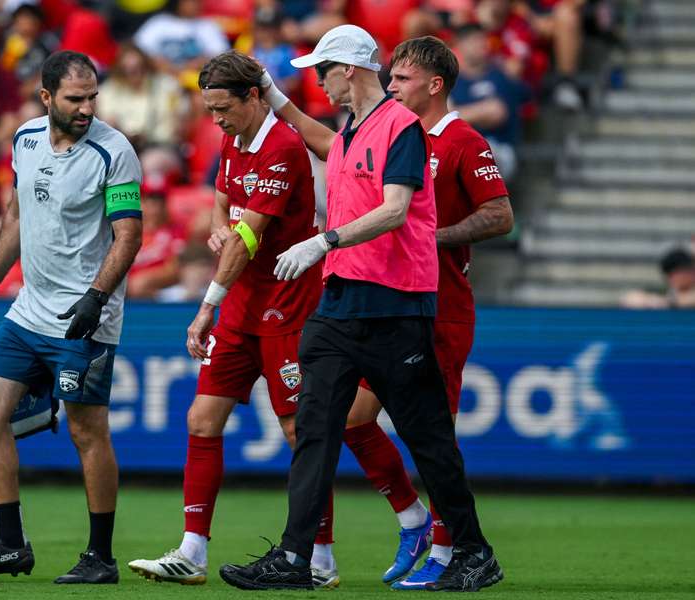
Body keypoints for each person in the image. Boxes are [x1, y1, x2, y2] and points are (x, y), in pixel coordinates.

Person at [219, 25, 501, 592]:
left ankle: (473, 550)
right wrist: (270, 91)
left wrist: (323, 241)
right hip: (343, 302)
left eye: (322, 70)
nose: (317, 82)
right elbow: (315, 137)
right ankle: (297, 557)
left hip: (396, 305)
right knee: (315, 428)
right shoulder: (354, 130)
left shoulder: (399, 127)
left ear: (348, 70)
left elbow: (395, 210)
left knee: (427, 438)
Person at [127, 50, 341, 588]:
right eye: (209, 110)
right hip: (243, 304)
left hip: (287, 304)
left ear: (253, 97)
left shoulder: (284, 148)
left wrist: (205, 305)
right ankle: (192, 551)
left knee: (298, 432)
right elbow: (225, 207)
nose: (216, 119)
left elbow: (251, 235)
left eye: (223, 107)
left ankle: (320, 557)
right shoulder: (233, 137)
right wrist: (219, 225)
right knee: (202, 420)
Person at [0, 50, 143, 585]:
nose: (86, 108)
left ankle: (100, 558)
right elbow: (17, 215)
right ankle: (9, 545)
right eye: (75, 99)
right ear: (46, 98)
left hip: (85, 318)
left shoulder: (114, 151)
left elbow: (129, 235)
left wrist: (96, 297)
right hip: (28, 311)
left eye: (92, 98)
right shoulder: (25, 139)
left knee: (86, 431)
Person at [347, 35, 514, 590]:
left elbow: (499, 215)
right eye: (389, 77)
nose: (390, 86)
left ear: (435, 85)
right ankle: (415, 521)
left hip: (441, 309)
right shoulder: (398, 135)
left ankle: (450, 549)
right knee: (350, 416)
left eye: (401, 78)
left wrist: (431, 236)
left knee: (433, 435)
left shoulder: (463, 140)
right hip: (390, 303)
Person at [450, 23, 529, 181]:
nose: (480, 45)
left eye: (482, 40)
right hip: (461, 149)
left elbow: (496, 112)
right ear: (460, 45)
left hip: (498, 148)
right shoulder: (452, 82)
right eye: (473, 40)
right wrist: (476, 114)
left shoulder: (501, 75)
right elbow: (439, 120)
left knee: (476, 155)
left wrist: (454, 116)